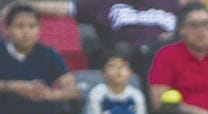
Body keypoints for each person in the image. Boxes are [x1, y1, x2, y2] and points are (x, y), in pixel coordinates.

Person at [16, 0, 181, 80]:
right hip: (125, 60)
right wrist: (21, 6)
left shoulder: (171, 4)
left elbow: (191, 24)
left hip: (165, 58)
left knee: (165, 50)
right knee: (124, 49)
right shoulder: (105, 3)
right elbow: (64, 8)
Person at [0, 3, 80, 114]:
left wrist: (50, 94)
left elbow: (72, 90)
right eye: (20, 26)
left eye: (32, 26)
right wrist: (13, 86)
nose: (26, 32)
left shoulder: (49, 54)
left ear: (39, 29)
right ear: (7, 29)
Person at [81, 50, 148, 114]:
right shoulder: (96, 93)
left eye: (123, 66)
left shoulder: (137, 95)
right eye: (112, 66)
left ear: (130, 72)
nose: (118, 70)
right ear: (103, 73)